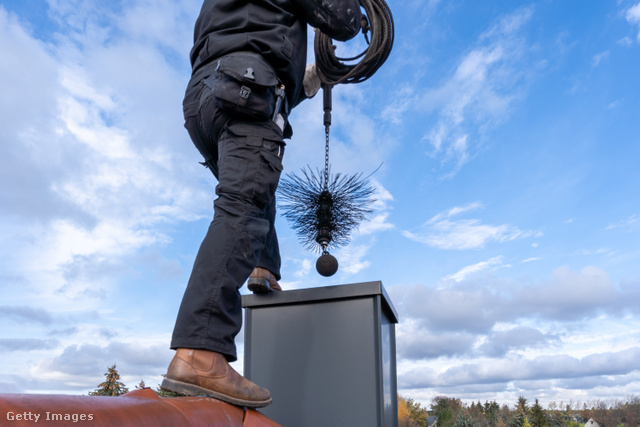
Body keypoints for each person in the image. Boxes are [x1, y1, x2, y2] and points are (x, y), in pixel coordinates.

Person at [162, 0, 362, 408]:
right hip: (244, 88)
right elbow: (342, 20)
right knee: (244, 206)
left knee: (252, 190)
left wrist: (308, 80)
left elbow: (252, 43)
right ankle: (200, 353)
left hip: (207, 97)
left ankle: (263, 267)